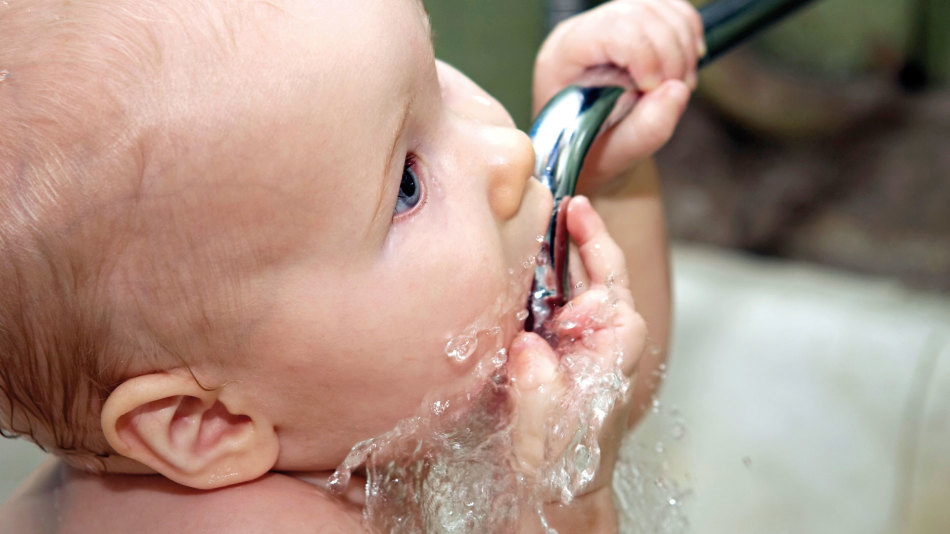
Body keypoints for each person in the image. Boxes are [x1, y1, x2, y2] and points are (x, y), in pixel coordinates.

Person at [0, 0, 702, 531]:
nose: (508, 152)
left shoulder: (315, 394)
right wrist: (564, 507)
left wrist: (607, 174)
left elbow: (612, 396)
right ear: (203, 423)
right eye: (406, 184)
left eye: (435, 76)